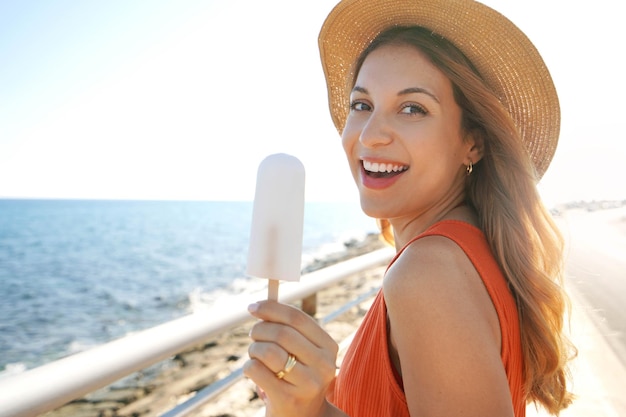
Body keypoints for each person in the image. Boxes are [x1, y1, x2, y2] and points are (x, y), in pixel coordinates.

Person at [243, 0, 575, 416]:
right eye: (361, 105)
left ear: (472, 140)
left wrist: (312, 411)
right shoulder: (468, 250)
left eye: (412, 108)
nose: (371, 135)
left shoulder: (428, 273)